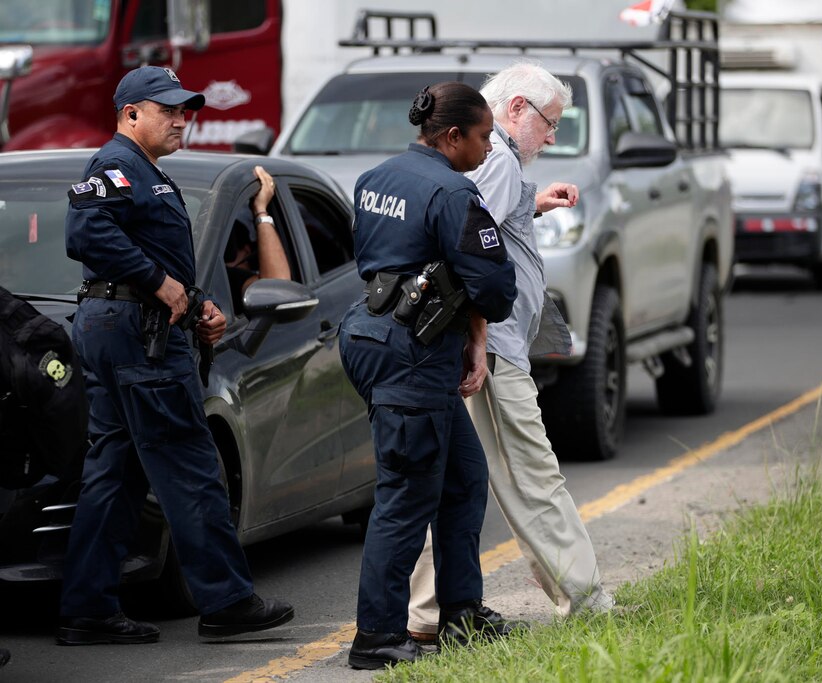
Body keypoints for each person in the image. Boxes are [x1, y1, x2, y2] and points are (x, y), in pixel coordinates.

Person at [59, 66, 294, 645]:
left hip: (128, 326)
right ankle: (227, 601)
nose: (180, 119)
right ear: (130, 114)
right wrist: (159, 282)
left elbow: (150, 257)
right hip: (134, 332)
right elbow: (84, 234)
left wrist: (194, 303)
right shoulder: (116, 165)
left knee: (114, 472)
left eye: (184, 109)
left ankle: (88, 608)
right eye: (167, 109)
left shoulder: (146, 172)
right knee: (191, 466)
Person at [407, 62, 613, 644]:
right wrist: (479, 341)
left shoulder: (490, 159)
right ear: (517, 107)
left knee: (449, 478)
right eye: (550, 123)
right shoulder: (497, 157)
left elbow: (480, 222)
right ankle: (585, 597)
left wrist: (532, 203)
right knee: (533, 475)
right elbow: (472, 252)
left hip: (478, 347)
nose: (552, 138)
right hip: (492, 349)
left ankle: (423, 612)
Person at [338, 82, 519, 670]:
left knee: (464, 476)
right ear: (451, 136)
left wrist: (466, 336)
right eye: (484, 136)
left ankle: (462, 613)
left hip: (375, 334)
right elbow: (495, 289)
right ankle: (378, 637)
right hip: (411, 351)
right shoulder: (451, 191)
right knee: (406, 495)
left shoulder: (375, 179)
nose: (490, 148)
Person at [224, 165, 292, 313]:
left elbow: (277, 290)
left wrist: (260, 210)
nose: (223, 263)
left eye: (227, 252)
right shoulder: (218, 278)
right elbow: (277, 288)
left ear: (247, 250)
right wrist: (260, 210)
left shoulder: (228, 280)